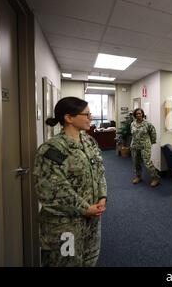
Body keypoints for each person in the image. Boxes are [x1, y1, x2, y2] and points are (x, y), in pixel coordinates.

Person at [33, 97, 107, 266]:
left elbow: (100, 172)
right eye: (87, 114)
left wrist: (102, 197)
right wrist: (85, 208)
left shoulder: (90, 142)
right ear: (69, 118)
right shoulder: (52, 149)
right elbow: (52, 190)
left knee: (90, 261)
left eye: (91, 114)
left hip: (92, 222)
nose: (91, 118)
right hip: (65, 226)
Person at [130, 108, 161, 187]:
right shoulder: (132, 124)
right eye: (137, 114)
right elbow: (132, 134)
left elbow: (153, 133)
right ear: (135, 115)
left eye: (140, 113)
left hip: (145, 146)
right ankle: (138, 176)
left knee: (147, 163)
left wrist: (152, 142)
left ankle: (155, 178)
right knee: (136, 162)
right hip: (135, 146)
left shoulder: (147, 124)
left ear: (142, 114)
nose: (138, 115)